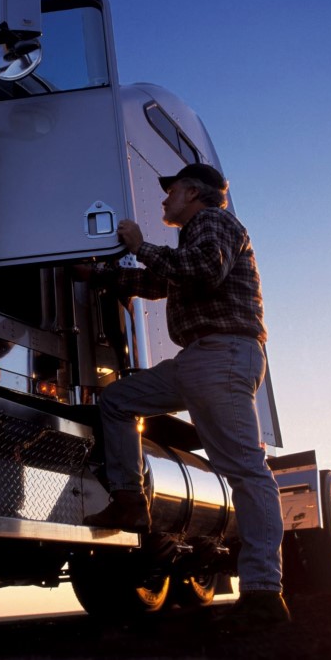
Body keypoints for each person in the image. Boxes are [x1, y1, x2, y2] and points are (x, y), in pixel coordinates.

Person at [80, 163, 291, 628]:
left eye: (170, 191)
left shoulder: (213, 222)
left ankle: (263, 592)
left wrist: (139, 246)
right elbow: (160, 282)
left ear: (193, 192)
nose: (163, 200)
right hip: (201, 359)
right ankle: (131, 499)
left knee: (246, 472)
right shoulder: (195, 232)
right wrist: (101, 276)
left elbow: (202, 270)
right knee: (117, 401)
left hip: (222, 353)